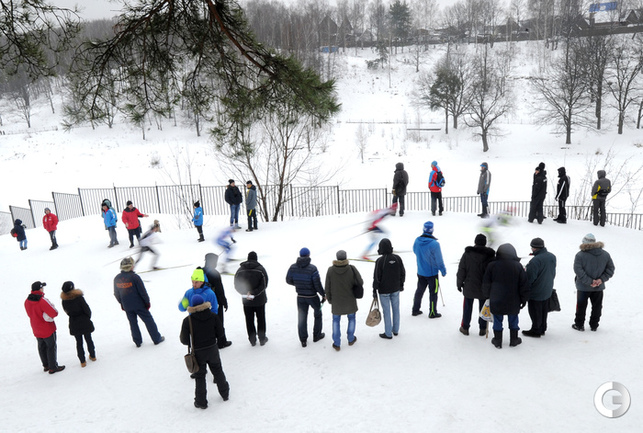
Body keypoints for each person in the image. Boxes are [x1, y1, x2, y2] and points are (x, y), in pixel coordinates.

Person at [180, 294, 230, 410]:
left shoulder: (188, 321)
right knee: (218, 371)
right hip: (212, 349)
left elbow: (184, 340)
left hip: (198, 353)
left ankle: (201, 401)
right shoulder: (213, 316)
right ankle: (225, 393)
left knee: (200, 377)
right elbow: (221, 333)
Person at [482, 243, 529, 349]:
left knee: (497, 319)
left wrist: (487, 295)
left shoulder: (492, 265)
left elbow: (486, 282)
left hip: (496, 298)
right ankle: (514, 339)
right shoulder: (518, 266)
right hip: (514, 299)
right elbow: (523, 284)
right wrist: (524, 299)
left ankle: (497, 340)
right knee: (513, 319)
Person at [113, 257, 165, 347]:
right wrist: (147, 302)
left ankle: (137, 341)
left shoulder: (117, 278)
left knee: (133, 323)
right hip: (139, 305)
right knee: (148, 320)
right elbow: (142, 292)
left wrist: (122, 303)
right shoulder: (135, 277)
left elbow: (116, 293)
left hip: (127, 305)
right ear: (131, 266)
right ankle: (156, 338)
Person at [572, 233, 615, 331]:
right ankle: (594, 325)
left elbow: (578, 270)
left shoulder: (580, 255)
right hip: (598, 287)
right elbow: (610, 269)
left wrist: (590, 281)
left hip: (583, 287)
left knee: (581, 306)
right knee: (597, 306)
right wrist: (601, 280)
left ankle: (579, 324)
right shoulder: (605, 255)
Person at [179, 268, 231, 348]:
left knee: (209, 346)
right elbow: (181, 308)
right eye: (192, 282)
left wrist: (212, 323)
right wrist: (184, 303)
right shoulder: (189, 293)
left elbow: (214, 310)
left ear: (202, 281)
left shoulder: (210, 293)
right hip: (194, 324)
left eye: (196, 282)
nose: (194, 285)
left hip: (207, 324)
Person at [286, 247, 326, 347]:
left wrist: (298, 284)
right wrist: (323, 294)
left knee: (302, 317)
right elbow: (317, 284)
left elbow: (288, 280)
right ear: (308, 255)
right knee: (318, 314)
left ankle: (303, 340)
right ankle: (317, 335)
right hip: (312, 296)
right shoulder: (312, 268)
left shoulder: (293, 267)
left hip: (300, 296)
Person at [456, 234, 495, 336]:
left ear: (475, 242)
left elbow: (461, 270)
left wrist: (459, 283)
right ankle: (483, 328)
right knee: (483, 308)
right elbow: (493, 273)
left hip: (469, 286)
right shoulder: (490, 256)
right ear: (485, 243)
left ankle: (465, 327)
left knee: (467, 307)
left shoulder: (467, 254)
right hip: (484, 288)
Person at [24, 281, 65, 374]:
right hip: (47, 328)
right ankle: (53, 367)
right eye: (42, 287)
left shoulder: (27, 301)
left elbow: (29, 314)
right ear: (40, 289)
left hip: (36, 328)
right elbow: (54, 313)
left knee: (41, 347)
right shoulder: (42, 301)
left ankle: (46, 365)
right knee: (51, 347)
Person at [325, 250, 362, 351]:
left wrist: (330, 300)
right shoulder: (351, 269)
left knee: (336, 321)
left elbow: (327, 287)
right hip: (350, 300)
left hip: (336, 302)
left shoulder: (330, 270)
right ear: (346, 257)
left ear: (337, 258)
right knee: (352, 318)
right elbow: (360, 282)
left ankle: (337, 343)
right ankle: (351, 339)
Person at [411, 221, 447, 318]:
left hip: (421, 271)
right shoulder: (434, 244)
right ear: (432, 230)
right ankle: (432, 312)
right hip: (432, 274)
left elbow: (415, 251)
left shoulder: (417, 241)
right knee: (433, 293)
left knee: (419, 291)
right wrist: (443, 270)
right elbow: (439, 259)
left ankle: (415, 309)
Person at [372, 239, 405, 339]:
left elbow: (376, 277)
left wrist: (374, 289)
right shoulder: (397, 258)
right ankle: (395, 330)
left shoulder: (380, 261)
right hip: (395, 289)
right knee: (396, 309)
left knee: (386, 311)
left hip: (384, 291)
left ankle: (388, 333)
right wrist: (401, 284)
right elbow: (402, 273)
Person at [234, 251, 269, 346]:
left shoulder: (240, 270)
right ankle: (262, 338)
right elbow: (264, 284)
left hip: (246, 300)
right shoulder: (261, 269)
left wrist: (246, 293)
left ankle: (252, 339)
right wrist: (253, 293)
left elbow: (237, 285)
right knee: (261, 319)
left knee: (249, 320)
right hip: (259, 300)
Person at [523, 238, 556, 337]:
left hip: (536, 291)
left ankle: (536, 330)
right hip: (547, 288)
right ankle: (542, 327)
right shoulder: (552, 256)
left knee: (535, 311)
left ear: (534, 248)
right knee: (544, 310)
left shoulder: (535, 261)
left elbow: (530, 278)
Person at [60, 281, 96, 367]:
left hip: (74, 322)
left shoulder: (64, 300)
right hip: (84, 320)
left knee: (79, 342)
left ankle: (82, 361)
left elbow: (67, 311)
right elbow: (87, 309)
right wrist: (87, 317)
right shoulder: (79, 298)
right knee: (88, 339)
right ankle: (93, 356)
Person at [203, 254, 232, 347]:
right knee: (219, 322)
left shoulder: (200, 272)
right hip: (215, 302)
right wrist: (224, 302)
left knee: (207, 322)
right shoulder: (214, 274)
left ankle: (209, 342)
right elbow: (220, 290)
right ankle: (221, 342)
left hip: (203, 302)